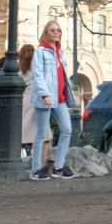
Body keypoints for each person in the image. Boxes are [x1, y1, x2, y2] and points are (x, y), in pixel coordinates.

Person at [28, 19, 75, 179]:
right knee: (42, 133)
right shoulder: (40, 51)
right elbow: (38, 75)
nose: (56, 33)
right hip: (45, 97)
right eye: (52, 30)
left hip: (60, 98)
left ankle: (59, 167)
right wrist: (44, 94)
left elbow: (63, 75)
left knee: (67, 129)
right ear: (46, 32)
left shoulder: (60, 51)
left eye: (58, 30)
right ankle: (36, 170)